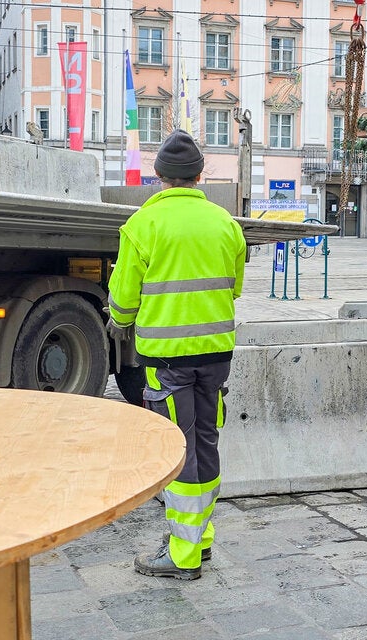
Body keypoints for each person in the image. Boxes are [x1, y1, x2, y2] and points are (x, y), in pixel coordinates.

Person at [106, 129, 246, 580]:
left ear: (160, 177)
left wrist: (120, 321)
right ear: (199, 176)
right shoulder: (226, 224)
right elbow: (235, 288)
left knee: (178, 448)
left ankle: (182, 556)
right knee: (206, 441)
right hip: (217, 354)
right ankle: (201, 540)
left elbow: (124, 297)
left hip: (168, 360)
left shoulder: (142, 226)